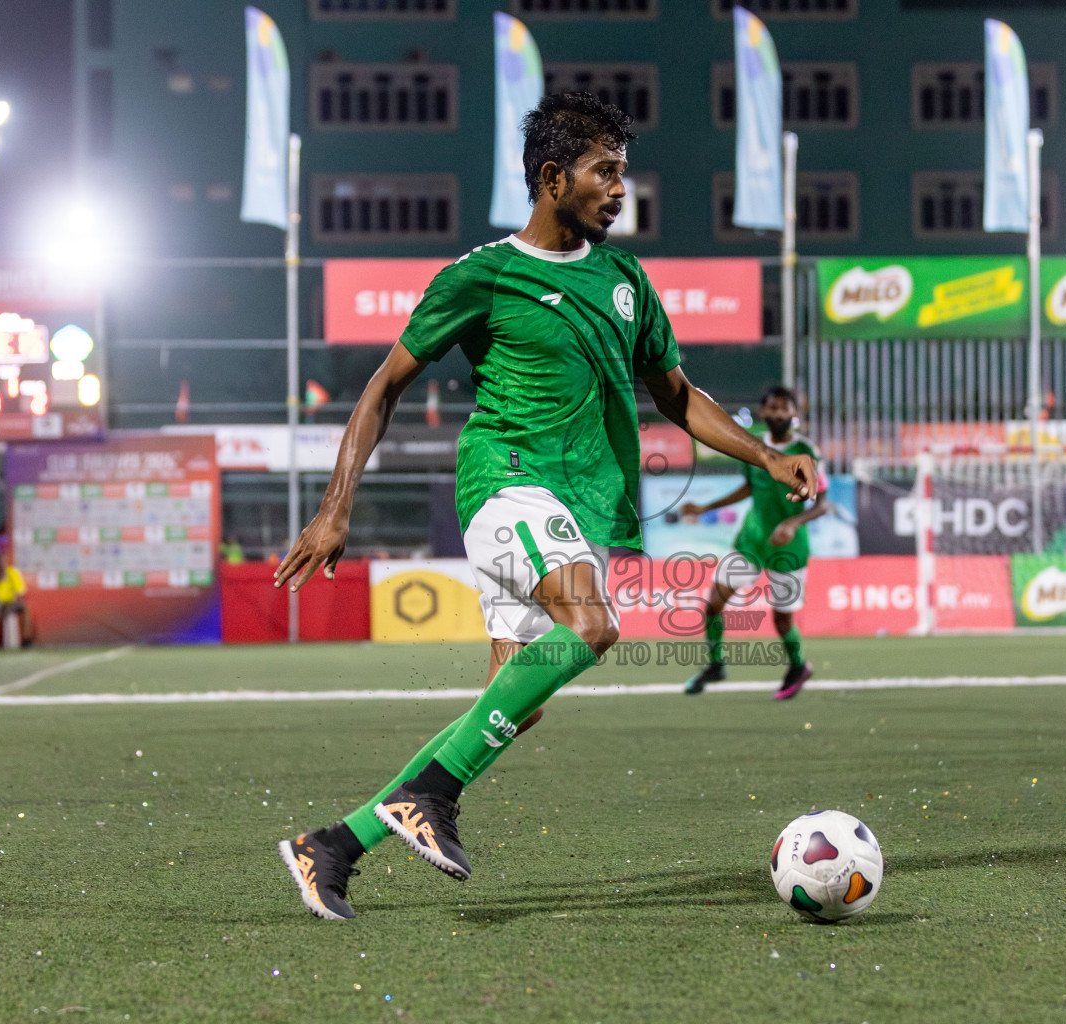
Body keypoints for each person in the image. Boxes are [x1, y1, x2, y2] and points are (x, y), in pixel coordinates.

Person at [271, 92, 817, 921]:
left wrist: (767, 453)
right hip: (506, 480)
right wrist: (336, 505)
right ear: (553, 177)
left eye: (623, 173)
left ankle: (335, 845)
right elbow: (383, 387)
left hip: (579, 510)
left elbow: (678, 395)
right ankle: (431, 803)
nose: (619, 190)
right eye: (605, 172)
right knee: (595, 628)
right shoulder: (483, 276)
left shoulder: (626, 280)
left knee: (507, 710)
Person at [679, 385, 827, 699]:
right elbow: (749, 486)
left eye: (783, 408)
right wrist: (705, 508)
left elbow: (822, 503)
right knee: (713, 604)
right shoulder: (754, 446)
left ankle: (798, 666)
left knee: (782, 619)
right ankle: (716, 665)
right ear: (763, 412)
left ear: (794, 414)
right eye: (771, 408)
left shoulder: (807, 451)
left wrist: (791, 522)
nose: (777, 414)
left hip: (789, 546)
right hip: (752, 541)